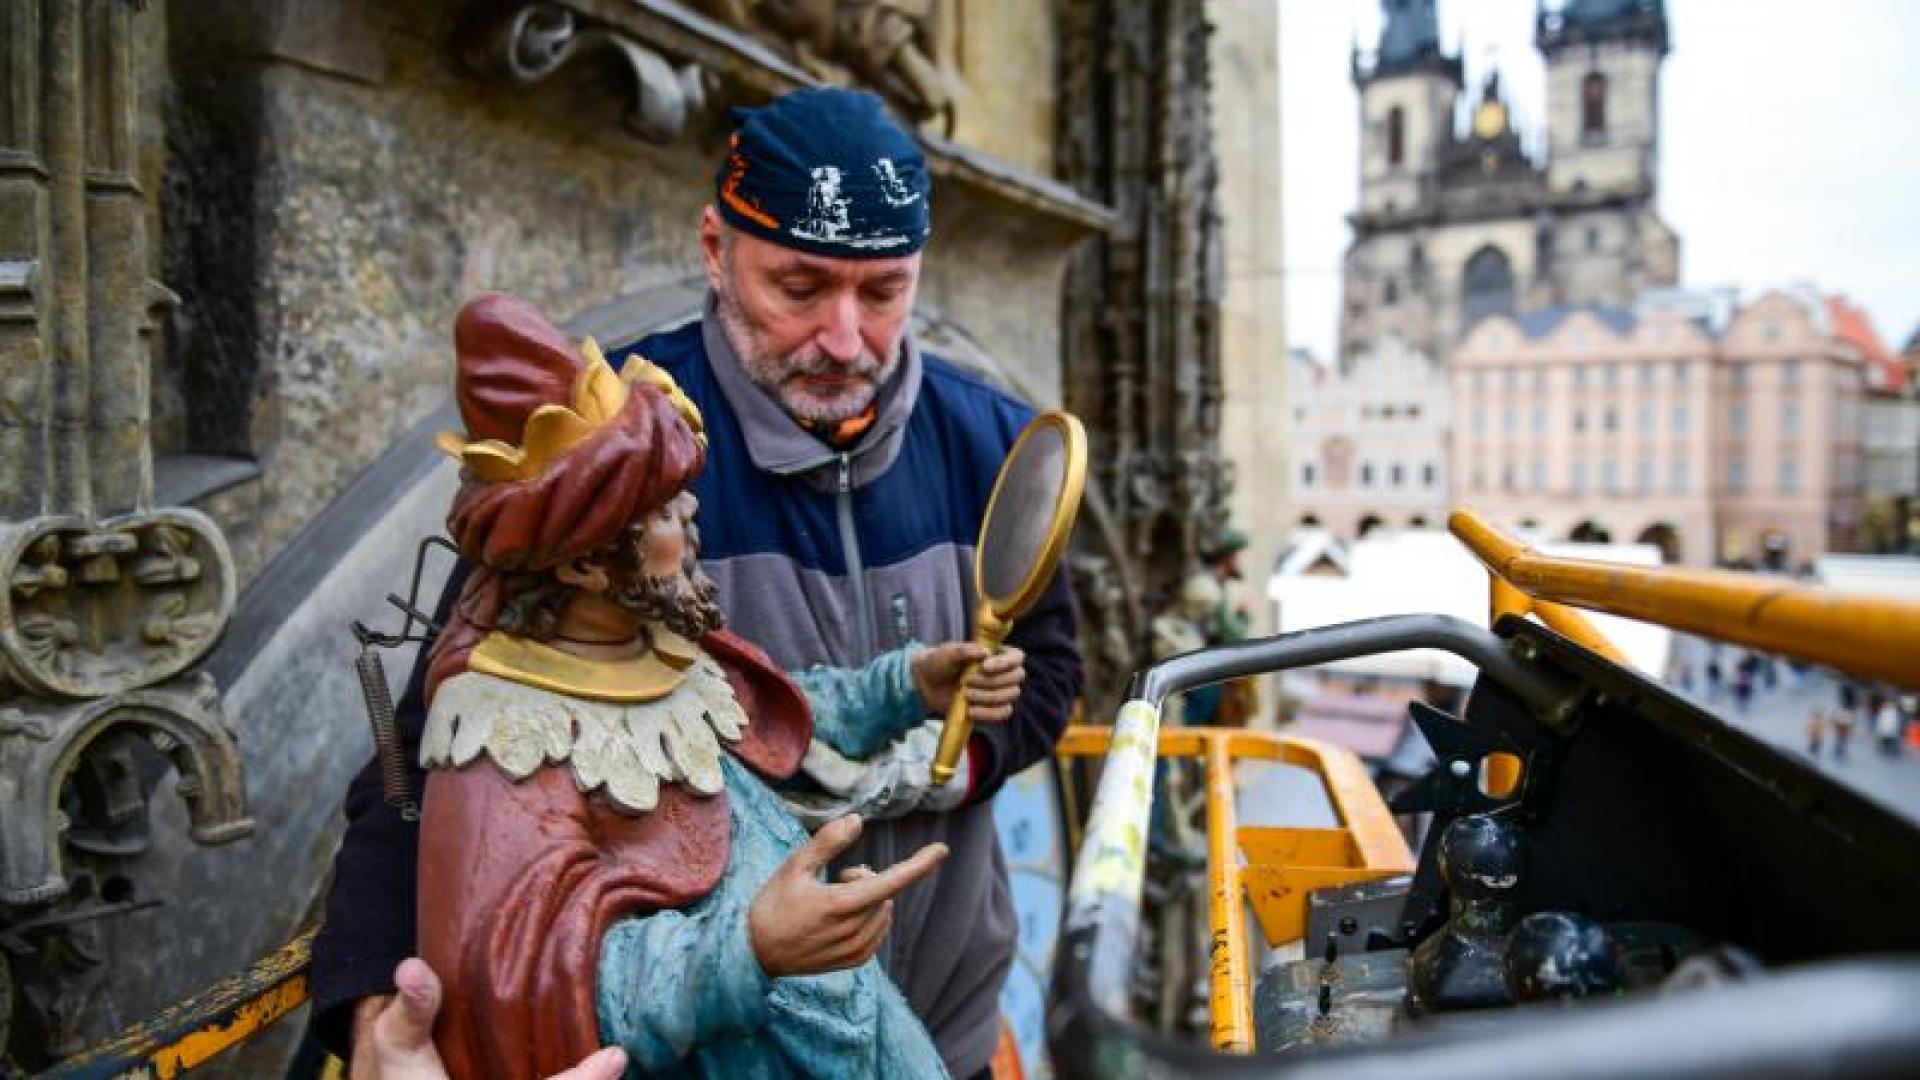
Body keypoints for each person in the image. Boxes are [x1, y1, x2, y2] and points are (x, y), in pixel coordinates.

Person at [310, 88, 1083, 1080]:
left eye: (883, 293)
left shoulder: (994, 442)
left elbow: (1051, 669)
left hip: (947, 1029)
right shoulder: (615, 454)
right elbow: (426, 752)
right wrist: (375, 1011)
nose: (844, 339)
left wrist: (937, 765)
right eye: (798, 287)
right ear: (716, 249)